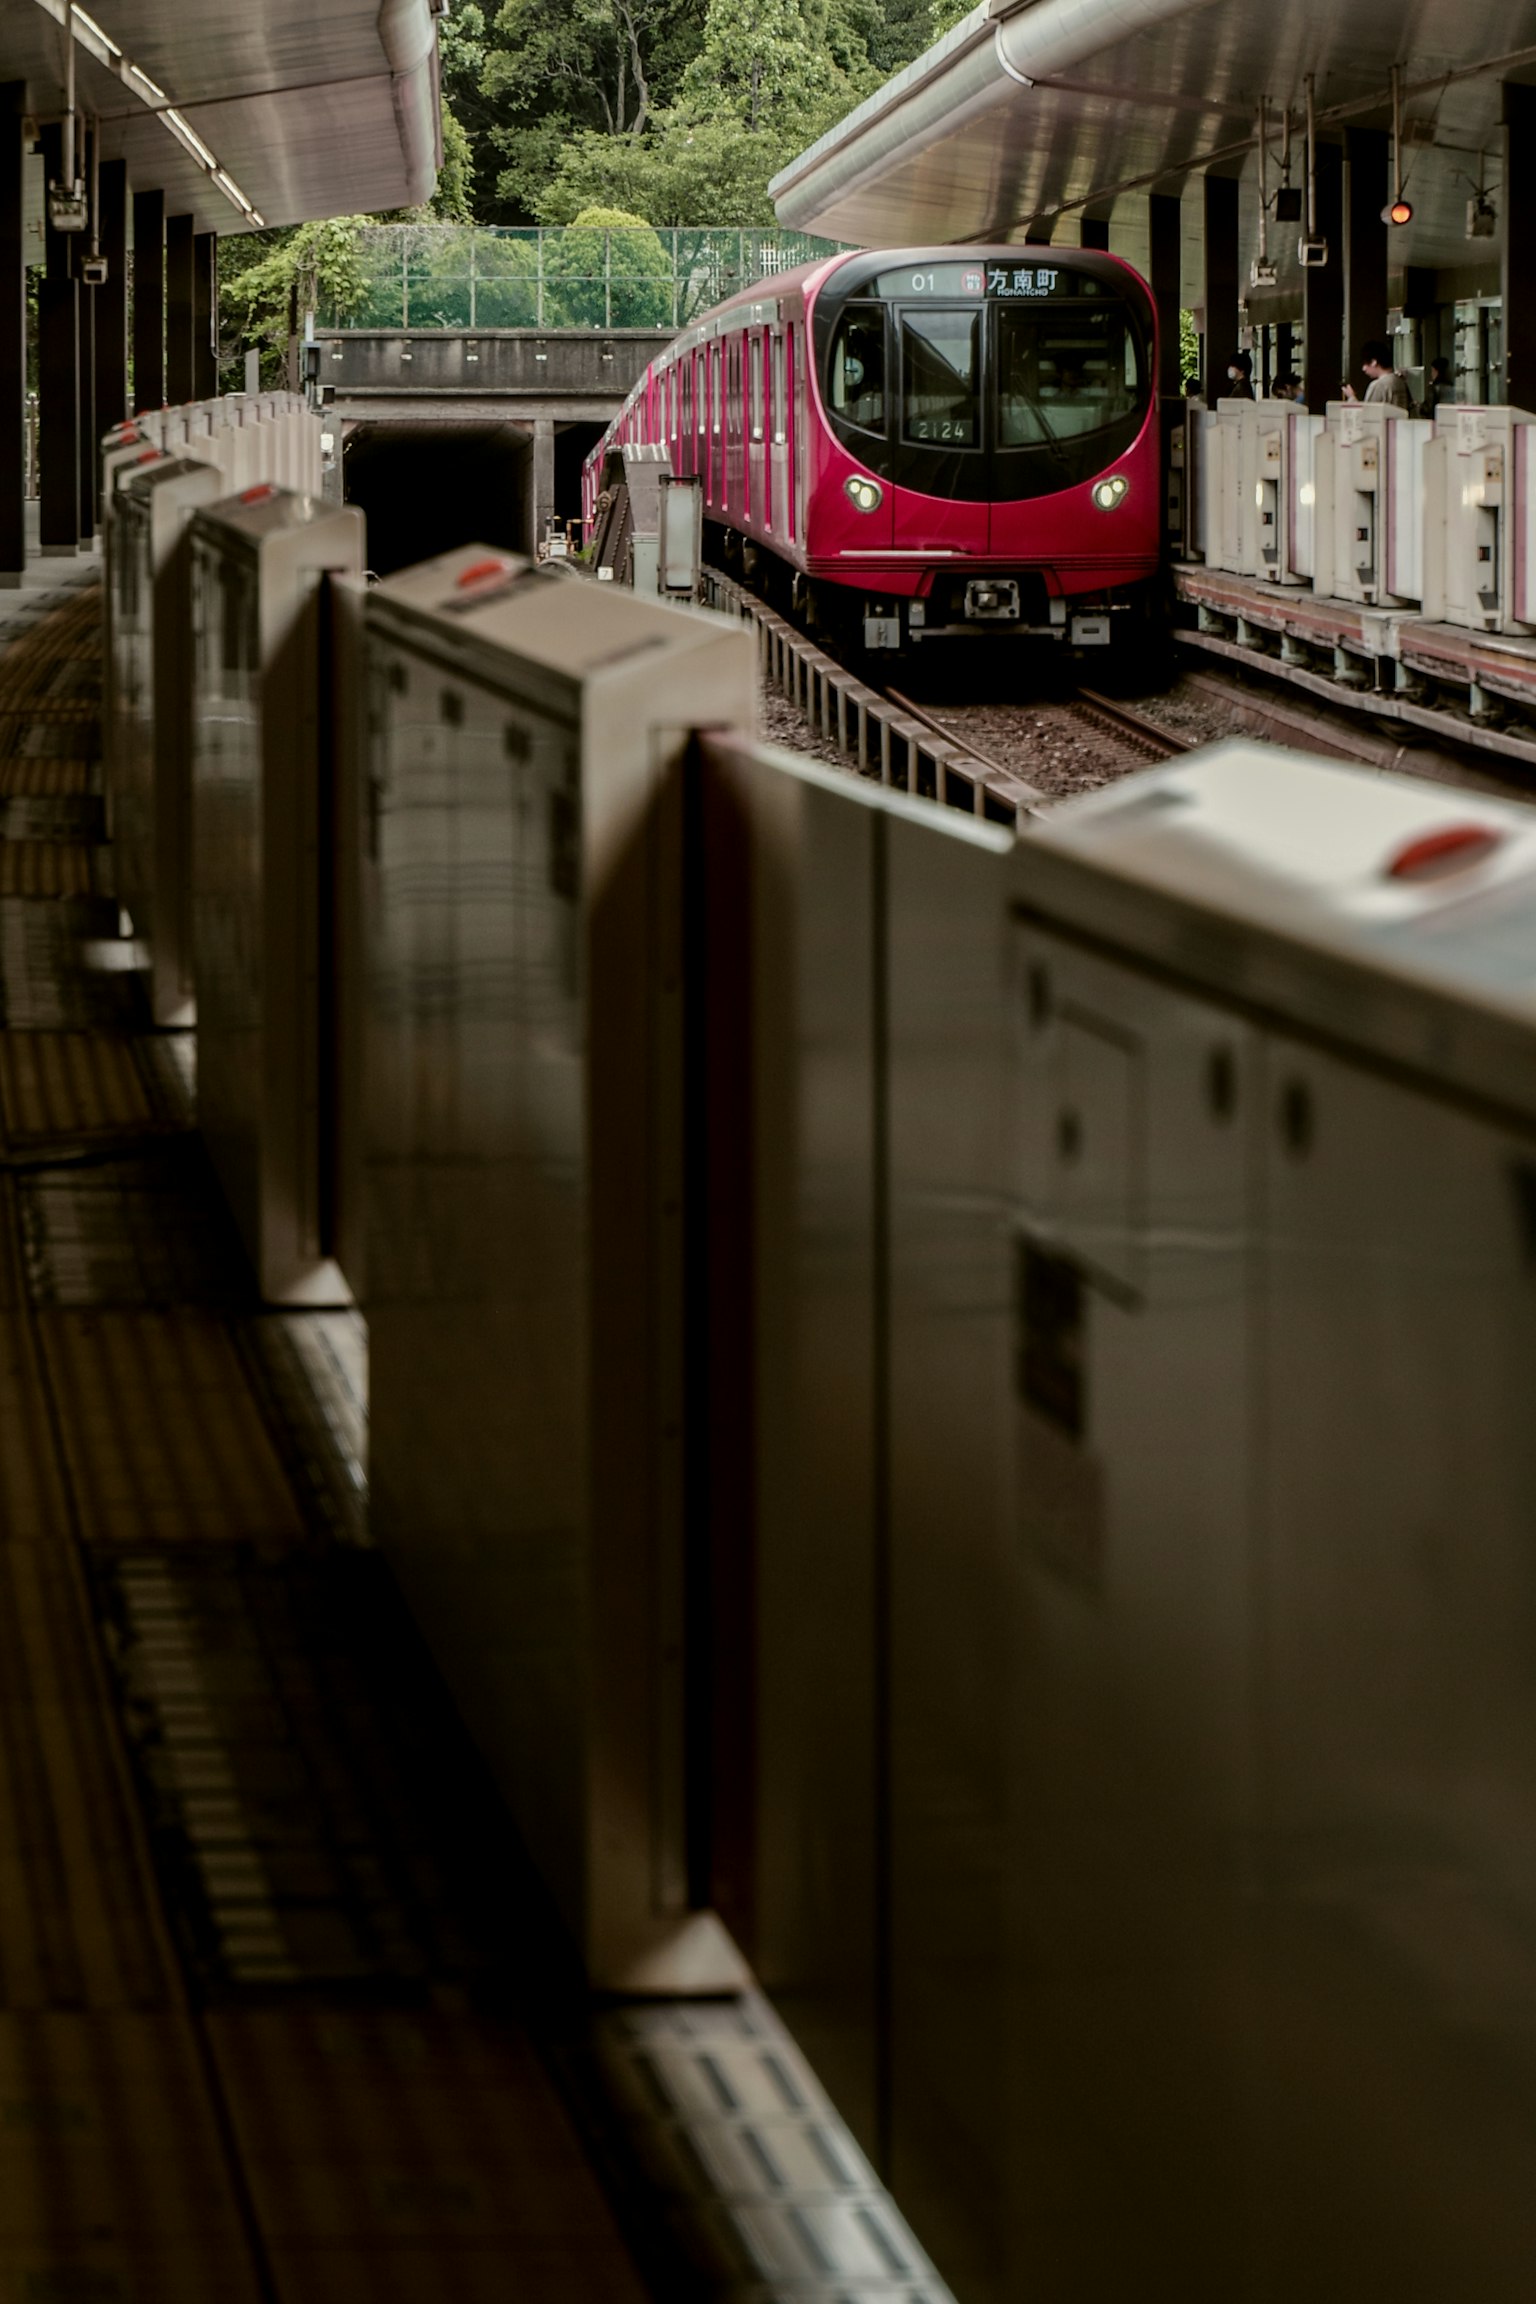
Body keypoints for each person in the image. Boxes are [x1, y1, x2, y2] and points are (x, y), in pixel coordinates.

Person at [1343, 338, 1413, 408]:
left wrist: (1352, 397)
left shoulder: (1378, 385)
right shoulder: (1400, 381)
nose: (1363, 369)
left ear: (1374, 362)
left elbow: (1368, 414)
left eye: (1365, 364)